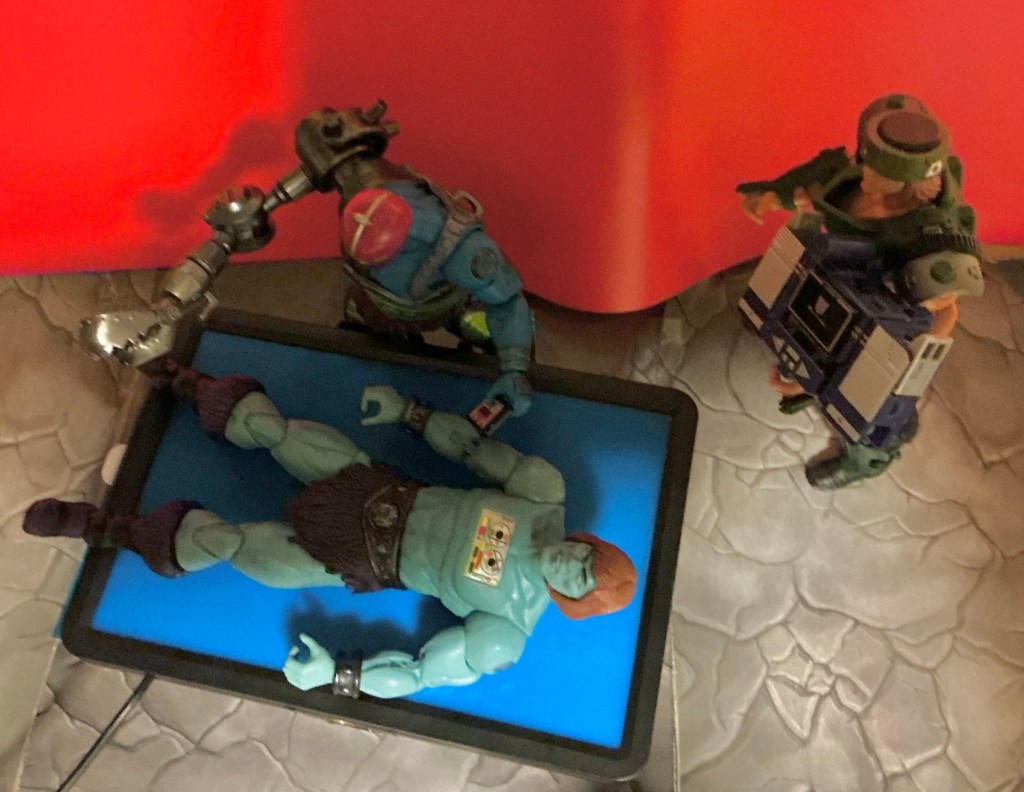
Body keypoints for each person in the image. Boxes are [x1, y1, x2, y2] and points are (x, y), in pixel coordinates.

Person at [23, 364, 636, 699]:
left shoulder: (509, 629)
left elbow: (422, 671)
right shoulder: (542, 495)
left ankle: (107, 527)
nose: (570, 565)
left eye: (580, 580)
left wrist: (336, 676)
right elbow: (473, 449)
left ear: (573, 600)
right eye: (585, 558)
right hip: (380, 488)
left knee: (229, 544)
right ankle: (184, 380)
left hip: (355, 556)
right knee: (274, 429)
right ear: (588, 543)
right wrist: (410, 413)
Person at [736, 94, 984, 488]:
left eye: (879, 178)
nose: (864, 180)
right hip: (838, 286)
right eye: (868, 165)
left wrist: (840, 376)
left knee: (872, 418)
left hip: (887, 329)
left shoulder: (933, 248)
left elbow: (940, 317)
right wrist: (774, 196)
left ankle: (867, 458)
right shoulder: (858, 182)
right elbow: (817, 186)